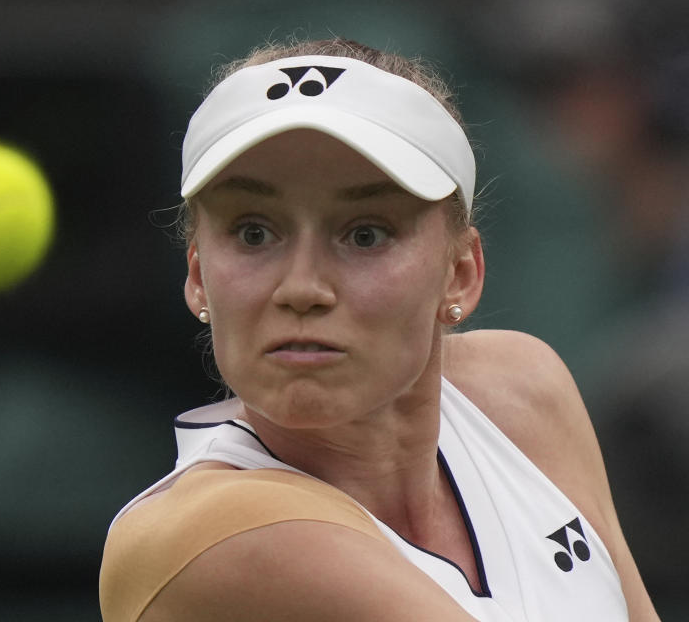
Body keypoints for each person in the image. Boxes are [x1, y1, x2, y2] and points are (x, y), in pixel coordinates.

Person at [98, 37, 659, 621]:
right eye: (253, 233)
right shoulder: (208, 538)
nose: (301, 288)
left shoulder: (522, 389)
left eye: (365, 233)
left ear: (460, 275)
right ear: (197, 277)